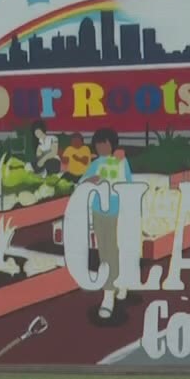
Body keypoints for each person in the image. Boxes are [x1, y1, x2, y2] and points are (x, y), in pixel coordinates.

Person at [82, 127, 134, 320]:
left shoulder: (122, 161)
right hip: (98, 212)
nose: (102, 147)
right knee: (105, 251)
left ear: (112, 144)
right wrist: (90, 179)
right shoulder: (96, 163)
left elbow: (128, 184)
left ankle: (108, 295)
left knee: (111, 251)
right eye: (98, 144)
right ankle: (118, 283)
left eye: (105, 143)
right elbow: (82, 181)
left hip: (117, 212)